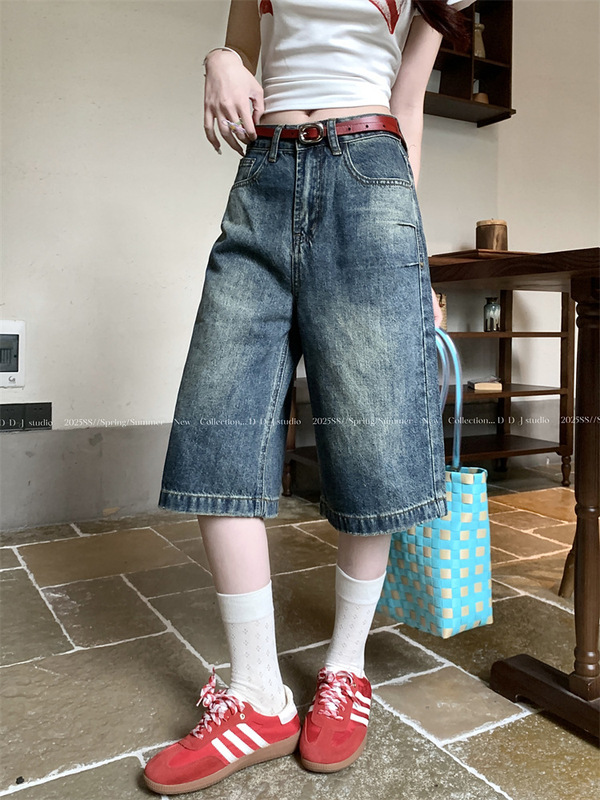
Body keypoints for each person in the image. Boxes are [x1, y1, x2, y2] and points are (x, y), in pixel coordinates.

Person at [144, 0, 474, 794]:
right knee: (218, 425)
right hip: (263, 176)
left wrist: (413, 260)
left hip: (371, 177)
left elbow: (407, 101)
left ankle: (346, 668)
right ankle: (258, 694)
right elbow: (239, 47)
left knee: (372, 437)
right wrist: (219, 61)